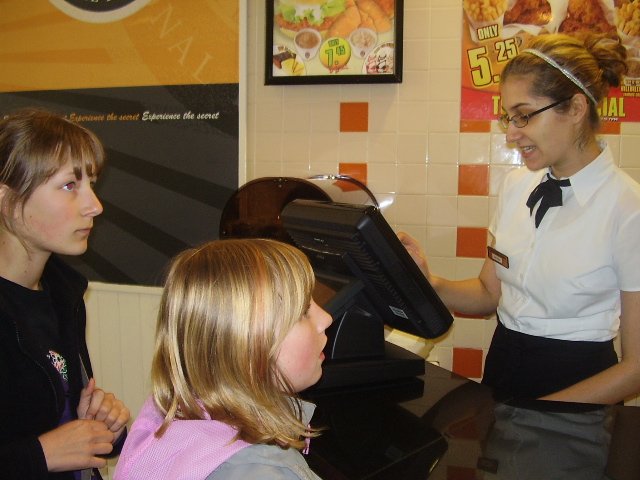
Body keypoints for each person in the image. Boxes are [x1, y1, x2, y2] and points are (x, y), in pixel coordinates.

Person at [400, 32, 640, 404]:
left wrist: (543, 414)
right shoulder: (517, 186)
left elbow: (636, 367)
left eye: (523, 116)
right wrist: (427, 281)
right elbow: (488, 294)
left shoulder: (628, 207)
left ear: (576, 109)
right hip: (504, 367)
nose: (511, 134)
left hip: (581, 387)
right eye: (509, 118)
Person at [114, 238, 332, 480]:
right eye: (303, 312)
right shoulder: (260, 472)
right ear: (246, 344)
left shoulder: (172, 419)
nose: (326, 319)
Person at [0, 108, 130, 479]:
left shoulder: (63, 293)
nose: (95, 206)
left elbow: (45, 418)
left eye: (92, 183)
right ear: (7, 200)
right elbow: (40, 449)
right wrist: (39, 455)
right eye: (70, 186)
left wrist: (98, 425)